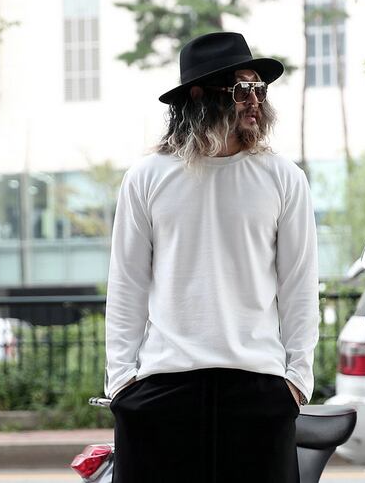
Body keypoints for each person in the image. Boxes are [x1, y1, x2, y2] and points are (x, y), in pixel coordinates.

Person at [105, 31, 320, 483]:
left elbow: (299, 285)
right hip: (163, 388)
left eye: (259, 88)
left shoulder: (284, 177)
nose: (254, 100)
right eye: (241, 89)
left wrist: (297, 380)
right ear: (199, 95)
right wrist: (121, 383)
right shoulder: (147, 177)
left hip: (259, 388)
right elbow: (127, 284)